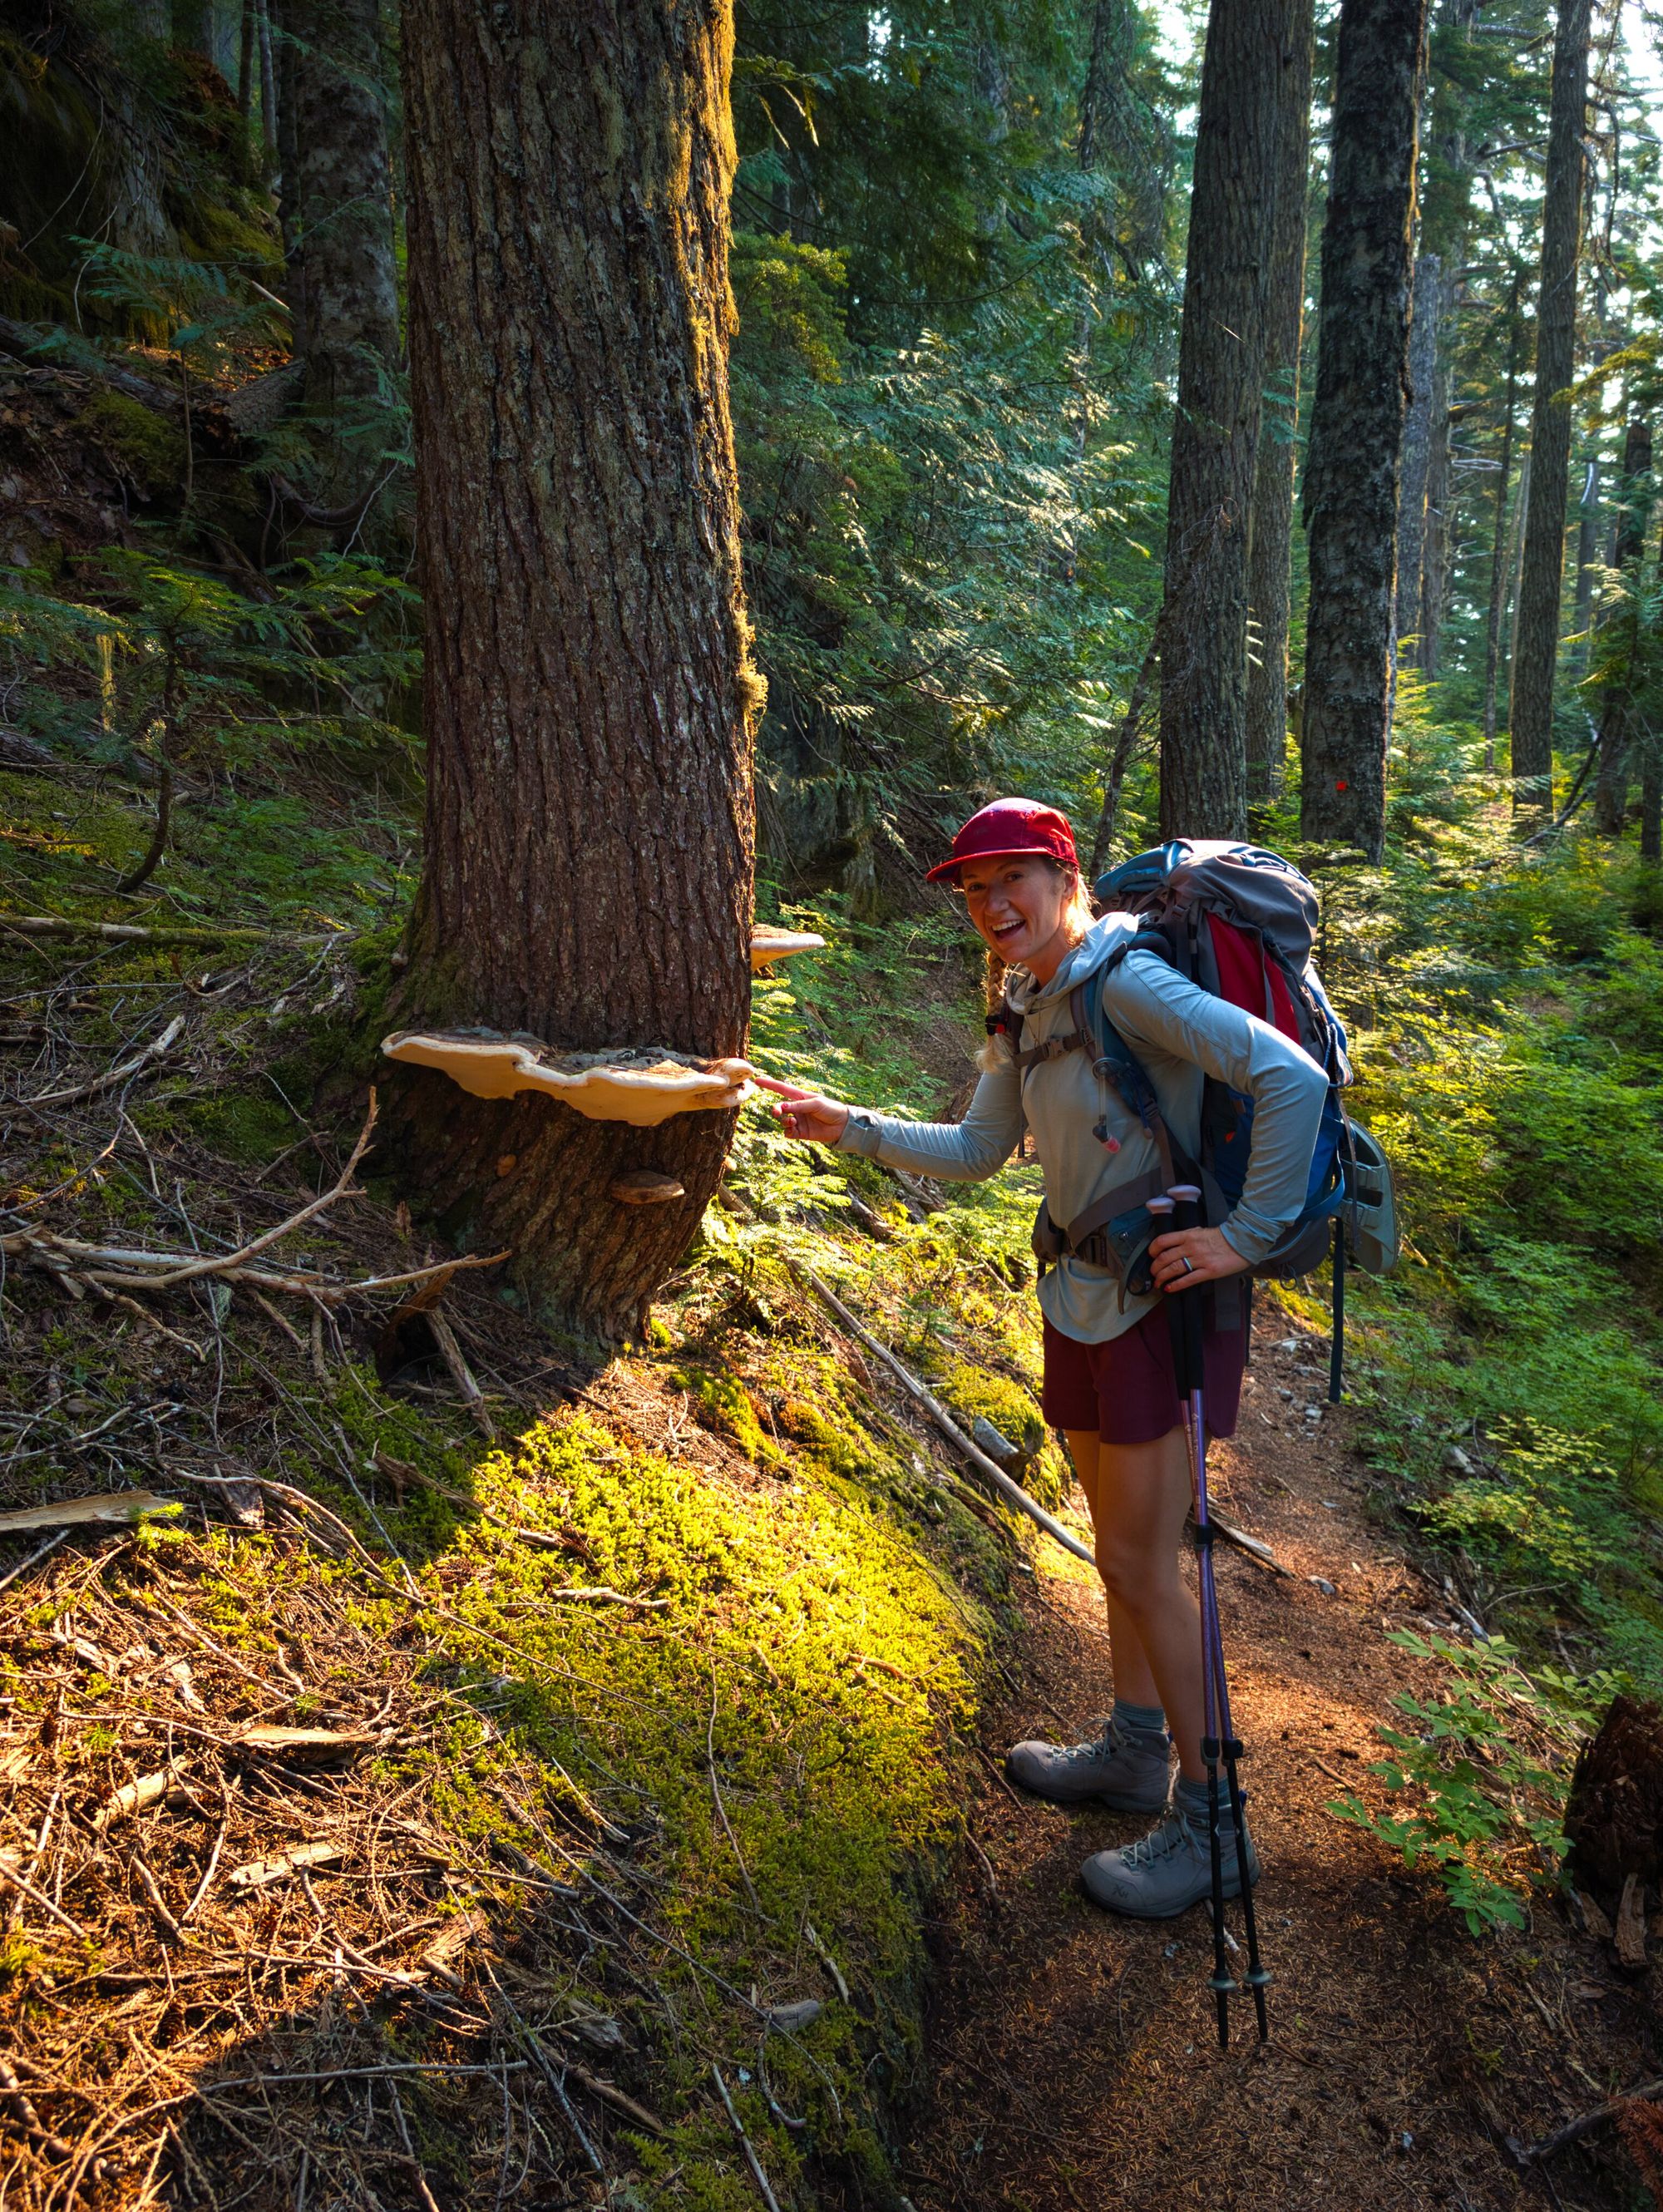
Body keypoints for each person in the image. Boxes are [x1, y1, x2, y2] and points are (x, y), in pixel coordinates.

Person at [757, 797, 1327, 1918]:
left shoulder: (1127, 980)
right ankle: (1134, 1750)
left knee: (1143, 1565)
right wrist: (849, 1125)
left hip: (1158, 1303)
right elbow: (982, 1148)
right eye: (975, 888)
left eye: (1012, 877)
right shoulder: (1025, 999)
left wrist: (1246, 1238)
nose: (992, 903)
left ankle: (1216, 1826)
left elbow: (1291, 1080)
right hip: (1077, 1295)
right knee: (1118, 1559)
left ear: (1067, 880)